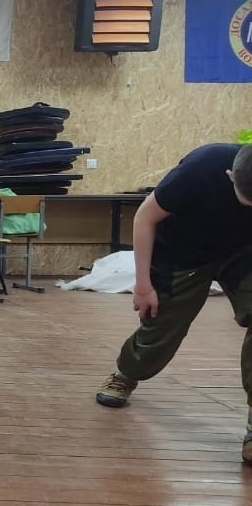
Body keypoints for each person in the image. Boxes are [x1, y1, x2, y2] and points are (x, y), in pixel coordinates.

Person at [94, 143, 252, 466]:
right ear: (229, 175)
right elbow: (144, 217)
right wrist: (142, 286)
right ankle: (126, 373)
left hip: (243, 252)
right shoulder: (200, 168)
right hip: (183, 252)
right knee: (162, 325)